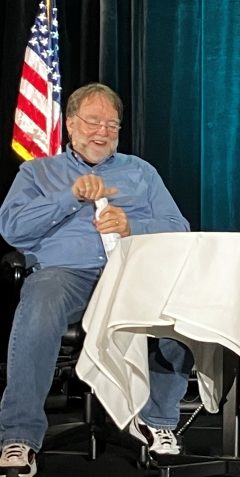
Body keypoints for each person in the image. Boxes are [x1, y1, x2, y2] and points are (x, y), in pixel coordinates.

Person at [0, 83, 191, 477]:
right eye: (92, 122)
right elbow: (13, 228)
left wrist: (133, 224)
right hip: (65, 275)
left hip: (130, 273)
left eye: (112, 124)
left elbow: (179, 228)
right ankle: (19, 435)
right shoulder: (38, 172)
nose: (102, 132)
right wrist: (69, 196)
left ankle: (159, 422)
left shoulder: (140, 172)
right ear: (70, 124)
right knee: (39, 305)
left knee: (182, 314)